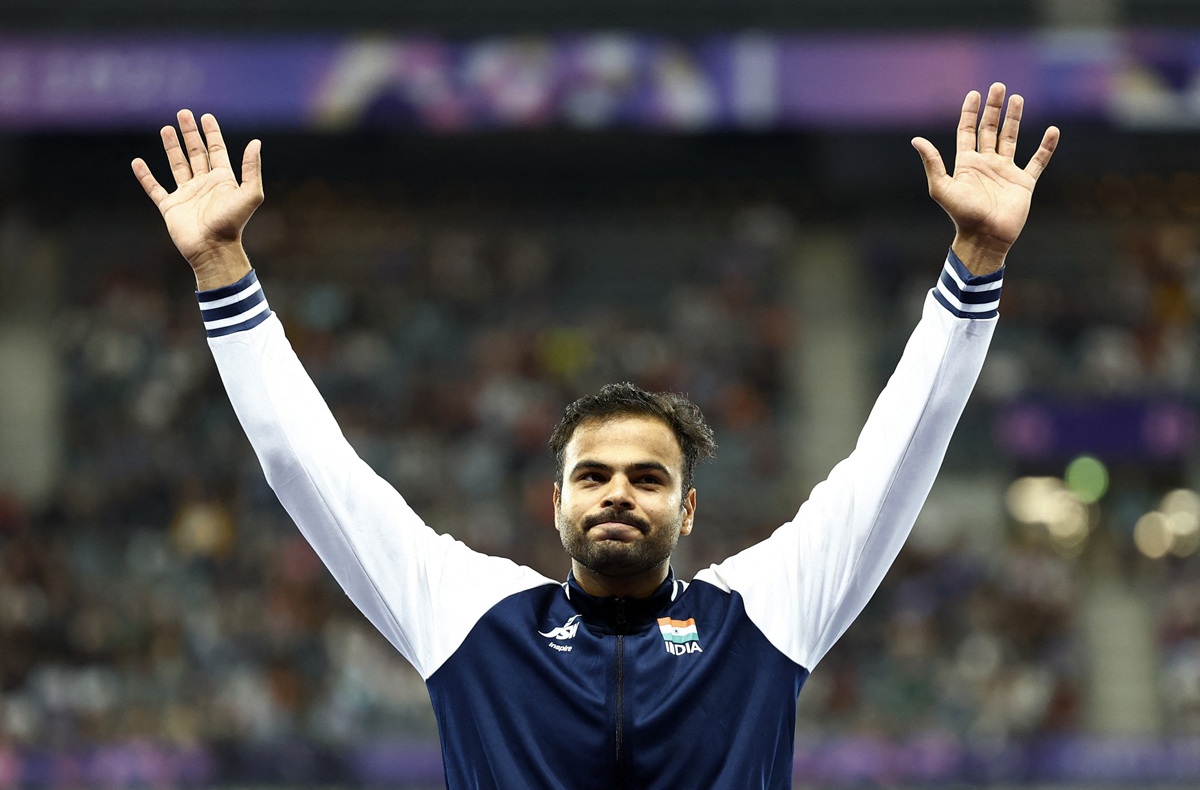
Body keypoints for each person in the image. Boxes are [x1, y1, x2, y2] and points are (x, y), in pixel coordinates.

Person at [132, 82, 1058, 789]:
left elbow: (894, 461)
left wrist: (975, 263)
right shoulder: (470, 616)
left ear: (688, 508)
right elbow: (308, 465)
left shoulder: (763, 616)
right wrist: (220, 268)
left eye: (649, 478)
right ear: (558, 499)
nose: (619, 491)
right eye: (596, 474)